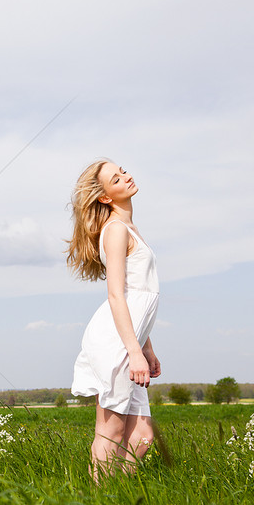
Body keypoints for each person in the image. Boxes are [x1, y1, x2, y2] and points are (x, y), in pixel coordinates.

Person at [66, 159, 161, 482]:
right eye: (116, 179)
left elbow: (138, 298)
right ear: (105, 197)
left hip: (131, 337)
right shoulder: (116, 230)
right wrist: (134, 350)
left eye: (123, 171)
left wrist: (146, 347)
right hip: (115, 341)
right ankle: (99, 502)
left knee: (143, 435)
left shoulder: (129, 227)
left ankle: (117, 495)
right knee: (112, 429)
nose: (127, 177)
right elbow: (117, 295)